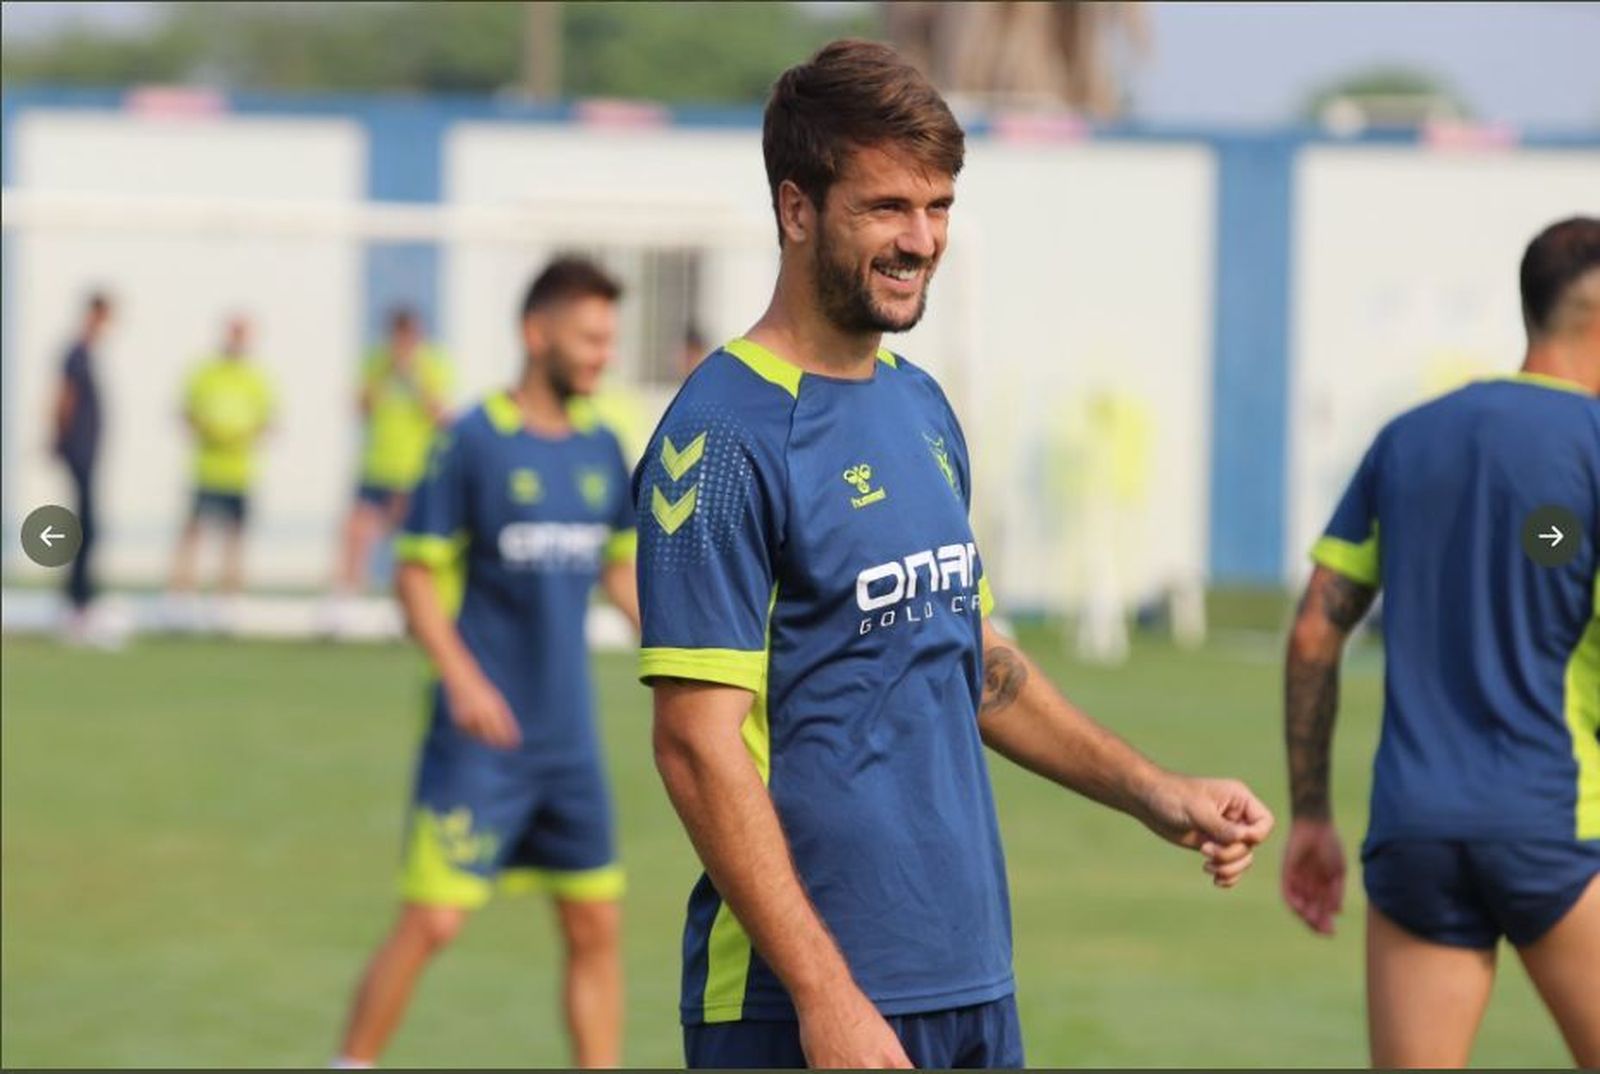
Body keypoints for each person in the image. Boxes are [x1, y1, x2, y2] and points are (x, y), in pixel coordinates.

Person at [635, 39, 1274, 1070]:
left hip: (969, 976)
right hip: (802, 1004)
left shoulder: (920, 407)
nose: (920, 239)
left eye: (936, 207)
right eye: (886, 207)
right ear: (796, 210)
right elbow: (695, 747)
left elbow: (967, 661)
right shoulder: (719, 440)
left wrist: (1155, 791)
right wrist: (824, 994)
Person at [1282, 216, 1600, 1068]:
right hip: (1557, 823)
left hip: (1416, 831)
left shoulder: (1409, 438)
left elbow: (1315, 634)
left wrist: (1311, 813)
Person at [335, 258, 640, 1070]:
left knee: (595, 926)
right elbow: (413, 575)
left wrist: (680, 644)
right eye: (588, 337)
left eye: (609, 339)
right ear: (535, 334)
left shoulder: (604, 446)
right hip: (482, 740)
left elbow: (619, 569)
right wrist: (463, 680)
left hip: (568, 740)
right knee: (433, 922)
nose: (602, 354)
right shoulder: (471, 441)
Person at [333, 307, 453, 600]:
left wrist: (414, 378)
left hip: (414, 467)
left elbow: (441, 416)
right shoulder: (376, 363)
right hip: (377, 465)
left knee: (409, 544)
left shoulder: (432, 364)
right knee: (357, 532)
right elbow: (361, 408)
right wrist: (386, 375)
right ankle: (347, 598)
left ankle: (408, 602)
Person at [168, 315, 275, 616]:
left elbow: (268, 420)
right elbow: (186, 412)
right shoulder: (205, 373)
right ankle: (181, 594)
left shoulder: (256, 378)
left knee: (235, 535)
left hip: (239, 471)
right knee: (194, 531)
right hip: (207, 466)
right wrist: (210, 431)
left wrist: (241, 435)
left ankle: (229, 598)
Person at [50, 291, 113, 643]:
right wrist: (59, 438)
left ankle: (80, 599)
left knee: (88, 526)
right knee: (85, 528)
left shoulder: (87, 354)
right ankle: (77, 603)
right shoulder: (76, 353)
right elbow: (63, 396)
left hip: (86, 453)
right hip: (78, 452)